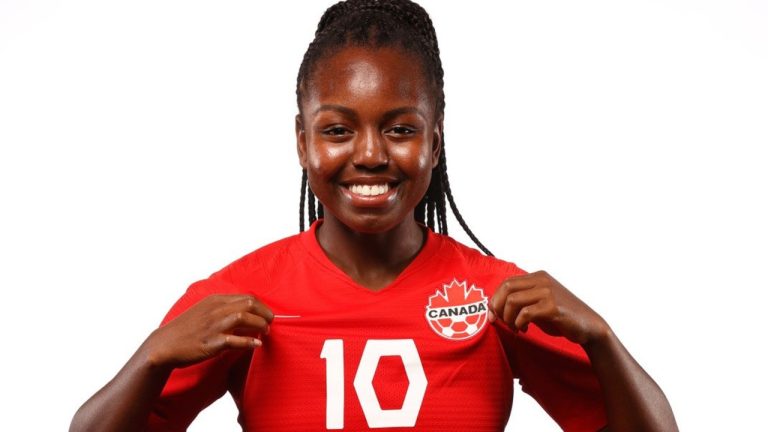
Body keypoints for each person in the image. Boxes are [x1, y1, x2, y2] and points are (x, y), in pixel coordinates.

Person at [70, 0, 678, 430]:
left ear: (435, 144)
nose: (369, 155)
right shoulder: (240, 299)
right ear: (302, 141)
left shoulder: (497, 296)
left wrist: (601, 337)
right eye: (337, 129)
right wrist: (151, 357)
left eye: (400, 129)